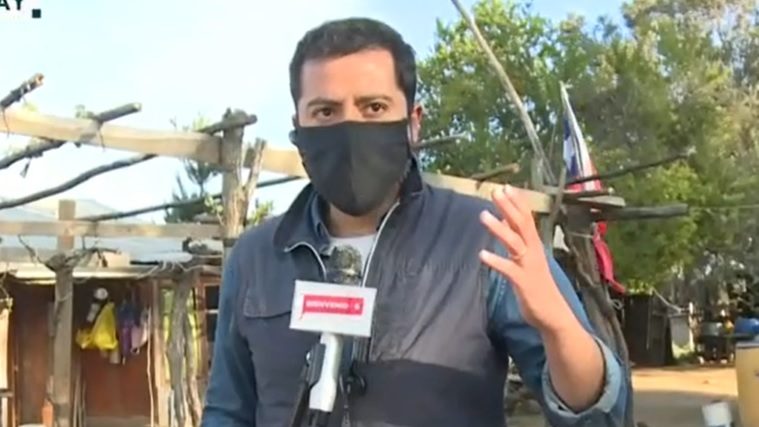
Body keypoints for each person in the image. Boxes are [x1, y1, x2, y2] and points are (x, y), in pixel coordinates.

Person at [201, 17, 628, 427]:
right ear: (298, 128)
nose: (350, 128)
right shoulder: (255, 258)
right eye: (326, 111)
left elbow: (600, 415)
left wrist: (559, 328)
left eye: (374, 107)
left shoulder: (485, 240)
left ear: (413, 123)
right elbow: (228, 412)